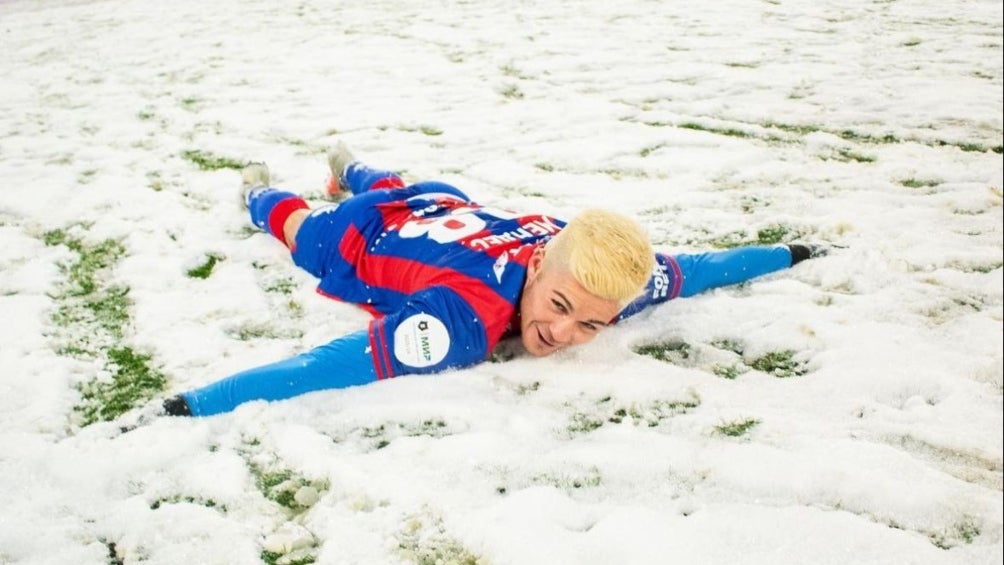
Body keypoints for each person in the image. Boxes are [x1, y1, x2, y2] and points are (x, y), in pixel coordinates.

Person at [161, 143, 826, 417]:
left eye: (590, 323)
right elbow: (321, 366)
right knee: (303, 228)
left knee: (414, 188)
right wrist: (192, 404)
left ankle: (355, 166)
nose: (565, 332)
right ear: (540, 264)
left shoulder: (607, 279)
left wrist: (788, 253)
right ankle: (261, 193)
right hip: (367, 235)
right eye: (561, 306)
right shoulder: (460, 323)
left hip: (449, 206)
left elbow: (701, 268)